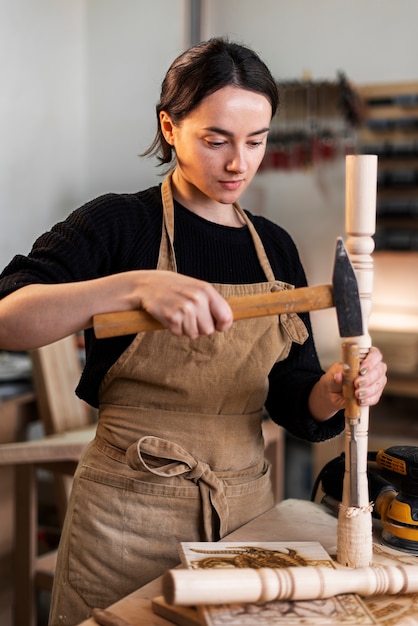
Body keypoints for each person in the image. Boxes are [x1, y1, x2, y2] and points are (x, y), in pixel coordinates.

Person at [0, 37, 387, 625]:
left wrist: (332, 390)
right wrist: (130, 287)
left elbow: (292, 393)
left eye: (255, 142)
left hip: (244, 521)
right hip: (123, 520)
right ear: (170, 127)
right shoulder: (119, 223)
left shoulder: (274, 248)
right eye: (216, 140)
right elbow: (9, 318)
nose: (239, 163)